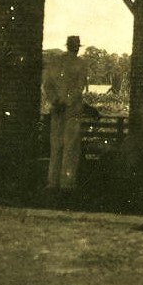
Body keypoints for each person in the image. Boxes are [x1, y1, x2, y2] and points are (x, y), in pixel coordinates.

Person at [43, 34, 89, 192]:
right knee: (70, 147)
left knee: (56, 146)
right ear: (77, 47)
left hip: (56, 109)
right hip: (71, 110)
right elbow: (79, 87)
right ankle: (66, 183)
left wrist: (55, 100)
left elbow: (47, 85)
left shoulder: (54, 62)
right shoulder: (80, 64)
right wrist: (67, 101)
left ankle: (52, 182)